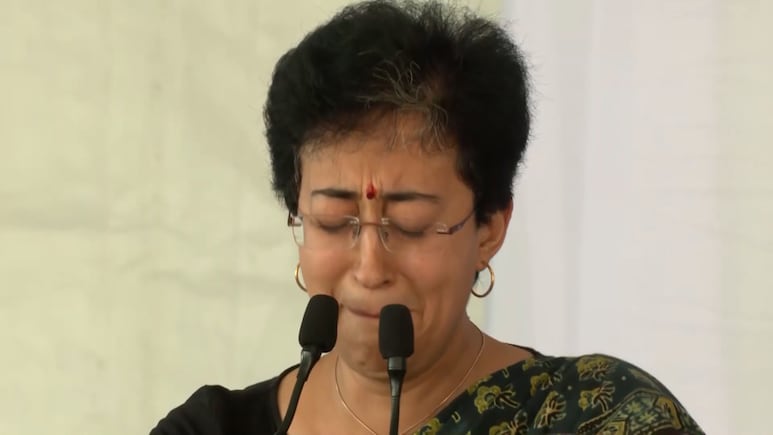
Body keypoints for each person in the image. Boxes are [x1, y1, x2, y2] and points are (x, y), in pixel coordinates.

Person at [149, 1, 704, 434]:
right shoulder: (211, 428)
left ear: (490, 226)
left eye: (410, 224)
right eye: (334, 220)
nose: (369, 268)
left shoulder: (594, 416)